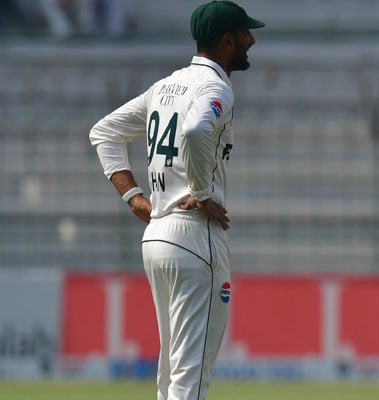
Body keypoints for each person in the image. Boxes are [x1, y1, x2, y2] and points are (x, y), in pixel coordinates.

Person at [89, 1, 264, 399]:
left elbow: (104, 132)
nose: (251, 41)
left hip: (158, 234)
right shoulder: (215, 87)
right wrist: (202, 194)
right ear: (226, 40)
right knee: (191, 374)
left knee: (170, 373)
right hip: (194, 235)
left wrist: (134, 197)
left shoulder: (165, 85)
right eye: (245, 34)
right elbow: (197, 128)